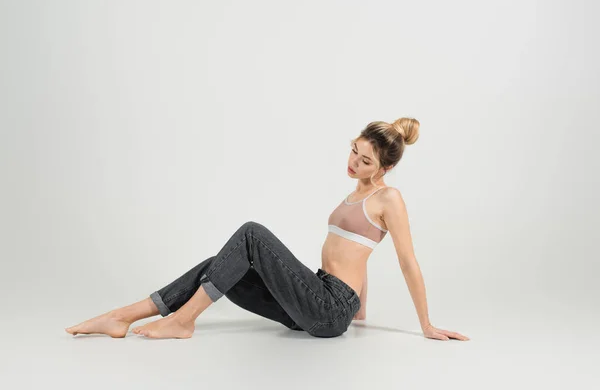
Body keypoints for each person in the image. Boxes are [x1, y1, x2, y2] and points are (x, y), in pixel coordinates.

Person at [65, 117, 469, 341]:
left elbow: (406, 261)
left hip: (328, 309)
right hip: (317, 297)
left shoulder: (389, 198)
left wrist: (427, 325)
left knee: (251, 233)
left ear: (387, 168)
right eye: (354, 150)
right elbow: (357, 254)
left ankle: (183, 321)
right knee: (220, 264)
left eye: (365, 161)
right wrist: (361, 310)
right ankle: (122, 316)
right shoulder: (356, 192)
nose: (354, 163)